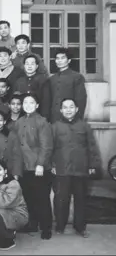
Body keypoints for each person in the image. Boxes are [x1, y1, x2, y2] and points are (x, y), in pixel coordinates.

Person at [51, 98, 101, 238]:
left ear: (77, 109)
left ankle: (80, 227)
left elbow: (91, 147)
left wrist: (92, 165)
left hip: (81, 168)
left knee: (81, 199)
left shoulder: (84, 126)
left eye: (71, 107)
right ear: (61, 110)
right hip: (62, 169)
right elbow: (51, 148)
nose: (68, 110)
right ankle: (60, 225)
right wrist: (52, 164)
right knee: (61, 199)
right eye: (65, 107)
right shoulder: (55, 127)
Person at [11, 93, 53, 239]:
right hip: (24, 167)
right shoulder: (19, 122)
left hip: (38, 168)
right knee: (28, 198)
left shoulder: (42, 122)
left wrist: (40, 164)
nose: (28, 105)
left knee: (42, 198)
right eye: (25, 103)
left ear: (37, 105)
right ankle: (32, 224)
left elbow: (46, 146)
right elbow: (16, 147)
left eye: (31, 103)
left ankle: (46, 228)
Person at [0, 159, 29, 250]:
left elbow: (4, 203)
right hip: (2, 212)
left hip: (18, 214)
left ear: (5, 171)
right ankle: (6, 231)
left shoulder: (13, 183)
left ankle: (8, 239)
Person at [47, 47, 87, 123]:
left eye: (62, 58)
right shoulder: (52, 79)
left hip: (70, 119)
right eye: (57, 58)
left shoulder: (77, 77)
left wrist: (77, 119)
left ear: (69, 60)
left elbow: (81, 100)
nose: (59, 60)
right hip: (54, 119)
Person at [13, 54, 50, 120]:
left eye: (32, 64)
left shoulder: (43, 80)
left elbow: (46, 102)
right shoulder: (19, 81)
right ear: (24, 66)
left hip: (38, 116)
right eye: (27, 64)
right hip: (22, 117)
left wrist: (44, 118)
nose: (29, 66)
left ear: (37, 66)